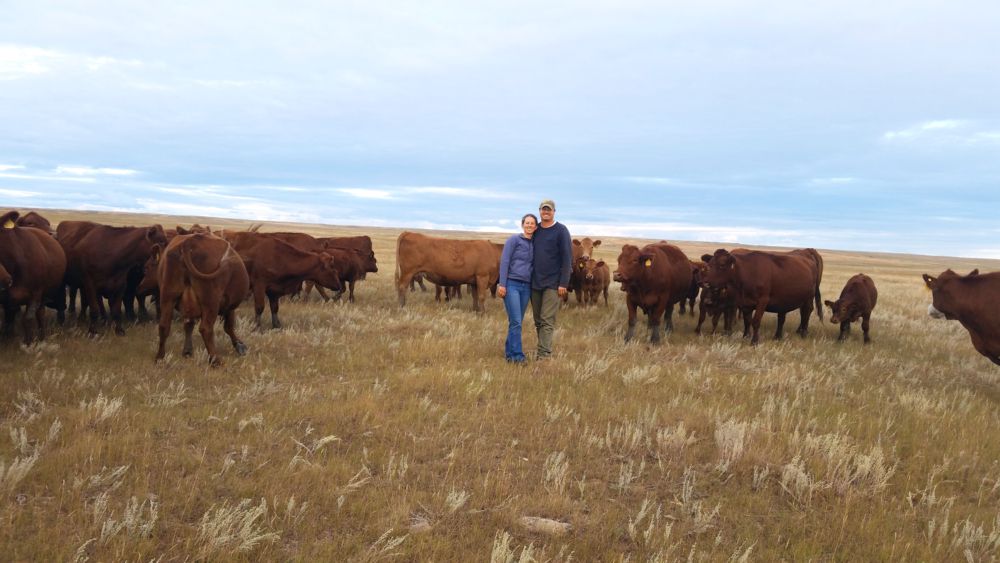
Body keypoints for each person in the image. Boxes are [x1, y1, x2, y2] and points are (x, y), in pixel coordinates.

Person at [530, 199, 572, 360]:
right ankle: (542, 349)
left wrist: (563, 283)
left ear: (554, 212)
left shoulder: (561, 230)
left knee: (547, 320)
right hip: (535, 282)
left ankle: (544, 355)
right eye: (543, 209)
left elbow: (567, 258)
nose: (546, 212)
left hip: (553, 284)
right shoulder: (536, 229)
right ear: (539, 211)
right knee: (538, 320)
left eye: (549, 210)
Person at [498, 214, 537, 363]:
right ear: (522, 225)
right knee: (516, 321)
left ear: (535, 227)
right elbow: (505, 261)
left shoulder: (535, 243)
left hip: (526, 286)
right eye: (527, 223)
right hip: (511, 284)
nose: (529, 225)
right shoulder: (514, 240)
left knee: (517, 321)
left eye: (532, 223)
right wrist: (502, 284)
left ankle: (509, 353)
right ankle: (518, 356)